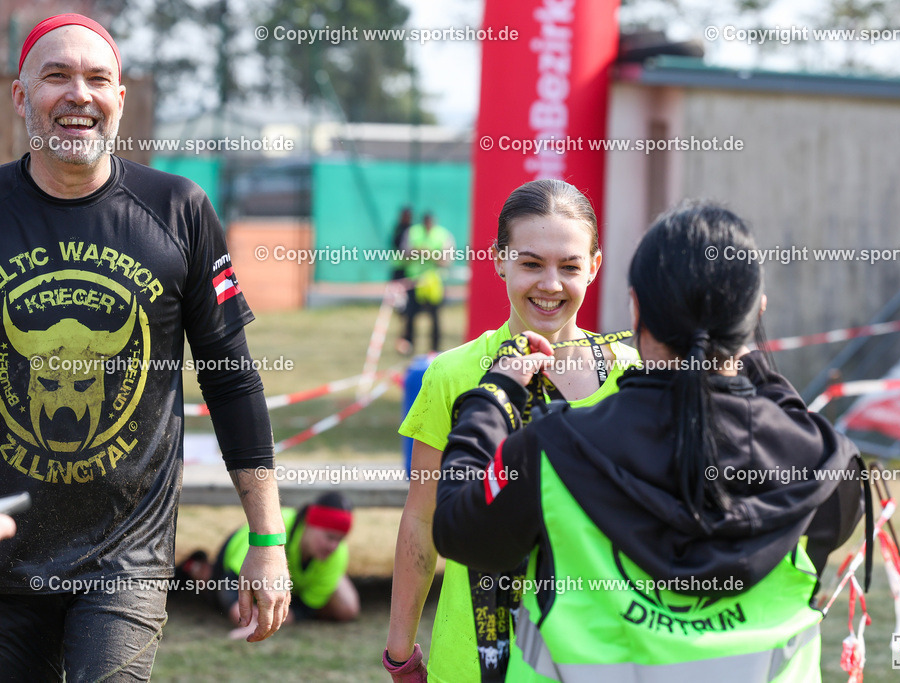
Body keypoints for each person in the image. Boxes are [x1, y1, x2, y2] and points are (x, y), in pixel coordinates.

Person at [432, 201, 865, 681]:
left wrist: (491, 398)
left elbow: (458, 528)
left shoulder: (554, 449)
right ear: (756, 311)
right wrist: (751, 365)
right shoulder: (825, 459)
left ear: (635, 306)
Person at [0, 14, 289, 680]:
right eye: (57, 76)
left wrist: (268, 540)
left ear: (120, 99)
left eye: (98, 78)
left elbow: (233, 382)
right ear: (21, 96)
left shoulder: (177, 209)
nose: (79, 94)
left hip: (124, 556)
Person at [384, 180, 640, 682]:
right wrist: (400, 652)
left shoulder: (633, 376)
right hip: (474, 663)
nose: (550, 284)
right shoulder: (454, 374)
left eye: (569, 266)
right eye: (530, 263)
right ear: (499, 259)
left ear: (594, 264)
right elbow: (420, 519)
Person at [189, 491, 360, 638]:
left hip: (281, 588)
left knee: (347, 607)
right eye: (329, 537)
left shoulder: (338, 553)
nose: (334, 546)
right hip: (232, 560)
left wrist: (269, 621)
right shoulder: (274, 526)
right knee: (210, 586)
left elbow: (304, 608)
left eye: (340, 539)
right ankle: (194, 566)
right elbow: (230, 584)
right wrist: (244, 619)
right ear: (309, 523)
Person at [398, 212, 456, 354]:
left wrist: (430, 255)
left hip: (434, 283)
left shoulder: (443, 235)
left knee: (435, 317)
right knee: (410, 316)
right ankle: (408, 346)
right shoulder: (412, 233)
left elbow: (446, 260)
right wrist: (416, 252)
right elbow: (403, 254)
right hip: (414, 281)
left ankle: (435, 349)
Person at [390, 206, 415, 283]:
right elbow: (396, 245)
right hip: (398, 266)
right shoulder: (398, 229)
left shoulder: (414, 229)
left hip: (410, 267)